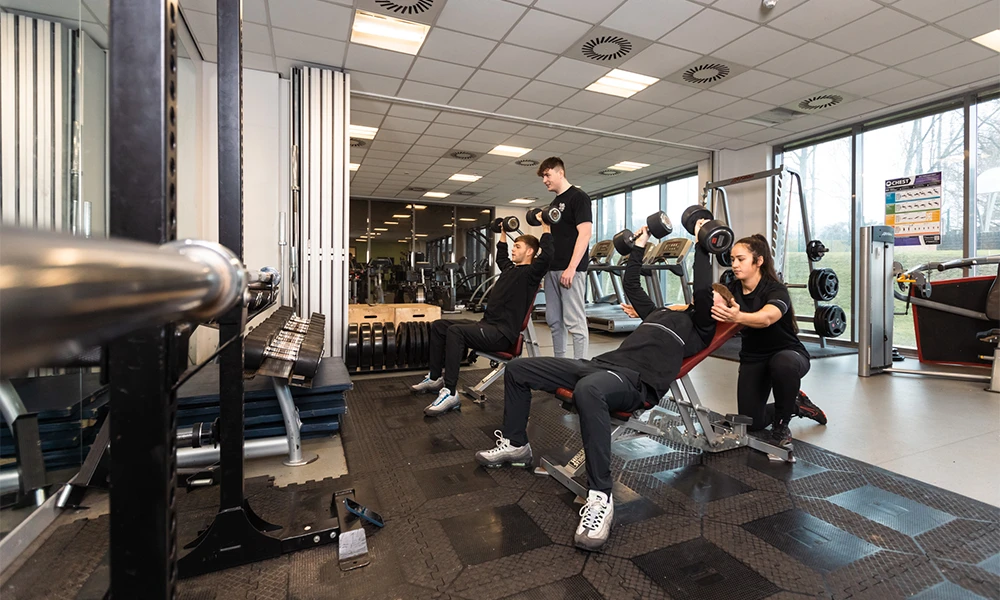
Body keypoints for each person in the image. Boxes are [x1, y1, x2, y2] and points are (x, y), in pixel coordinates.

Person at [475, 221, 733, 551]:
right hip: (601, 366)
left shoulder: (703, 328)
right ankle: (516, 444)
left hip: (634, 381)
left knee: (589, 391)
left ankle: (601, 497)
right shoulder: (658, 314)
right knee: (519, 369)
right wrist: (640, 245)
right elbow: (631, 282)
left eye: (718, 302)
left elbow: (700, 290)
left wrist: (700, 244)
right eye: (713, 298)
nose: (713, 302)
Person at [412, 222, 553, 416]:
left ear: (530, 252)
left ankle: (450, 392)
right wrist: (503, 233)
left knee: (455, 331)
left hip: (501, 334)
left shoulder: (531, 275)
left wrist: (546, 227)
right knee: (439, 325)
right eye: (513, 246)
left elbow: (546, 257)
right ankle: (436, 378)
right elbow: (501, 256)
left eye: (517, 247)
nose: (513, 250)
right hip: (486, 326)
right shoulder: (510, 270)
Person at [711, 234, 827, 448]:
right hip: (753, 359)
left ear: (759, 261)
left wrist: (737, 317)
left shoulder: (775, 289)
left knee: (783, 364)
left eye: (740, 259)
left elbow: (766, 318)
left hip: (789, 355)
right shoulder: (733, 291)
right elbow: (698, 309)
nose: (734, 264)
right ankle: (796, 404)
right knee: (752, 422)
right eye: (732, 259)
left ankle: (782, 425)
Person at [537, 157, 592, 360]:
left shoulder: (579, 197)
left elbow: (585, 234)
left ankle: (580, 369)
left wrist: (572, 267)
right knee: (554, 321)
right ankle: (559, 366)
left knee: (575, 323)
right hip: (552, 269)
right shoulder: (554, 203)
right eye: (543, 176)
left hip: (571, 270)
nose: (544, 180)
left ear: (560, 173)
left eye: (547, 175)